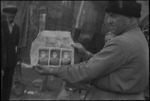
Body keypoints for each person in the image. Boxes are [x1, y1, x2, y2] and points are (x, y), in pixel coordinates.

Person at [34, 1, 149, 100]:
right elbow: (108, 65)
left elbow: (87, 71)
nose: (109, 21)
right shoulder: (137, 36)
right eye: (108, 16)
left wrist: (52, 70)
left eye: (114, 16)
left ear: (131, 18)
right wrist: (86, 54)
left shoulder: (122, 42)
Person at [1, 5, 20, 100]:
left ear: (15, 15)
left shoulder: (17, 28)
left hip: (11, 62)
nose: (10, 15)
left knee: (7, 86)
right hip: (1, 60)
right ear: (5, 14)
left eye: (12, 13)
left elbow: (16, 44)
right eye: (8, 12)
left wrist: (17, 59)